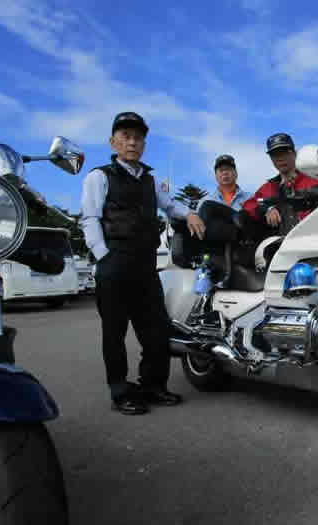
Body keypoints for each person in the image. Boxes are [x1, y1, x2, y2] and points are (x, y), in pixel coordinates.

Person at [80, 111, 204, 415]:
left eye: (138, 138)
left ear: (144, 144)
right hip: (114, 262)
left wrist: (189, 213)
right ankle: (120, 392)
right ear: (113, 142)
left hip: (146, 265)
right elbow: (90, 218)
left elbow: (170, 206)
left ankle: (153, 385)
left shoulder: (151, 180)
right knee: (115, 333)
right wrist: (103, 255)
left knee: (157, 330)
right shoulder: (99, 176)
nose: (132, 142)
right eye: (125, 136)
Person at [242, 132, 318, 235]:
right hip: (283, 242)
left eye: (284, 152)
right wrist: (267, 209)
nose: (280, 158)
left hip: (313, 237)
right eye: (275, 155)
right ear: (271, 159)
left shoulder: (313, 181)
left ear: (294, 153)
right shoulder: (268, 187)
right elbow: (248, 205)